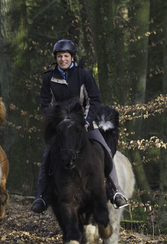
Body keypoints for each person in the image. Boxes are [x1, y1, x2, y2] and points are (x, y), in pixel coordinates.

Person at [31, 39, 129, 213]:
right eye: (60, 56)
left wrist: (85, 120)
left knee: (105, 150)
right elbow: (46, 104)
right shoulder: (49, 78)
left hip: (85, 124)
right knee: (47, 157)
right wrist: (58, 121)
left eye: (66, 56)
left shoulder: (83, 75)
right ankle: (42, 197)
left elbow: (94, 99)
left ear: (72, 57)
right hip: (61, 127)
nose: (63, 59)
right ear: (56, 58)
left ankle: (115, 191)